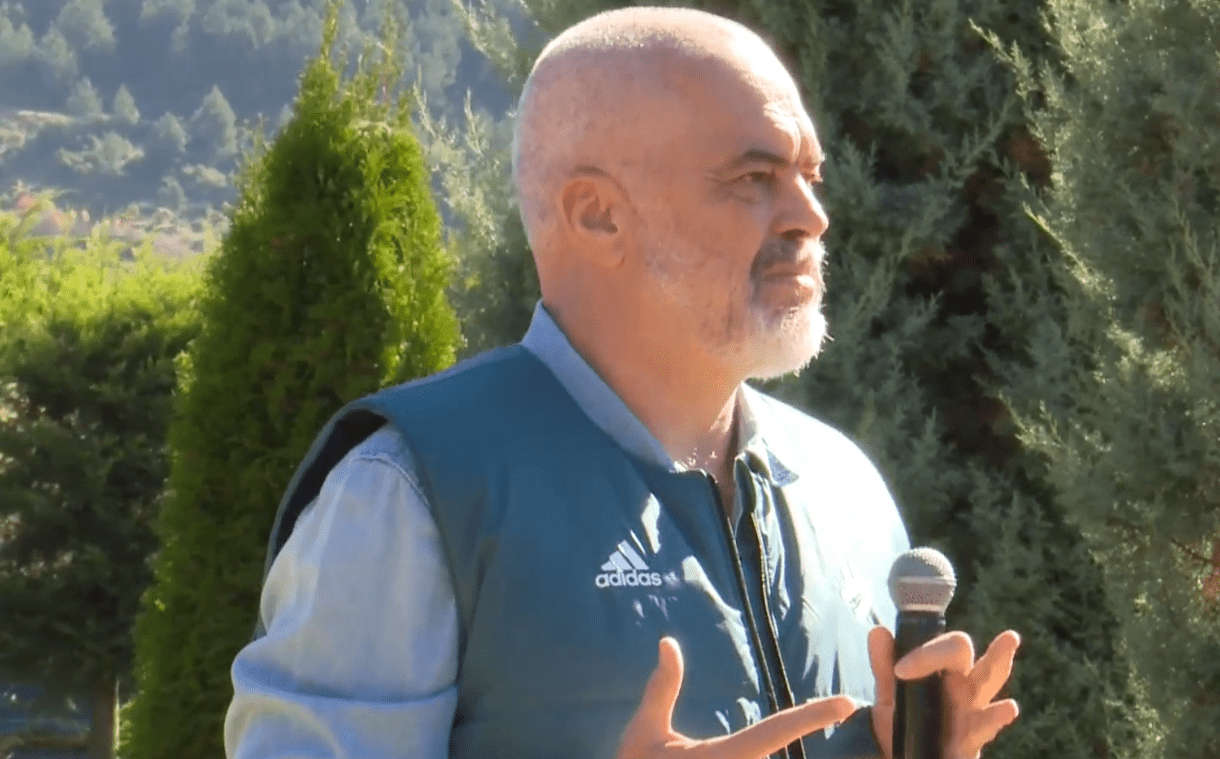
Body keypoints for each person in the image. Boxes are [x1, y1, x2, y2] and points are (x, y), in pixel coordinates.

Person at [223, 6, 1022, 759]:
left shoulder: (847, 487)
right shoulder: (408, 489)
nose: (810, 216)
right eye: (755, 177)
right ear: (597, 214)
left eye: (811, 175)